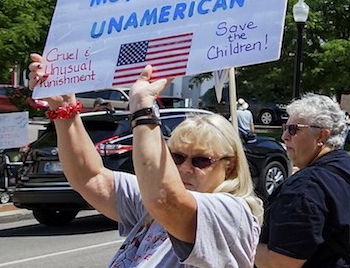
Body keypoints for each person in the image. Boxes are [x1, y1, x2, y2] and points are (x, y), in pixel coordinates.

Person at [28, 55, 262, 266]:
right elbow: (89, 177)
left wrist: (142, 108)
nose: (185, 168)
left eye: (201, 160)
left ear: (229, 165)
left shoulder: (232, 212)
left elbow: (165, 200)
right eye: (177, 157)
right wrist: (64, 108)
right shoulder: (149, 203)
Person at [255, 94, 350, 268]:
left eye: (294, 129)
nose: (284, 136)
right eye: (285, 128)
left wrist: (245, 245)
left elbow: (280, 263)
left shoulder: (305, 188)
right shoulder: (345, 165)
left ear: (321, 136)